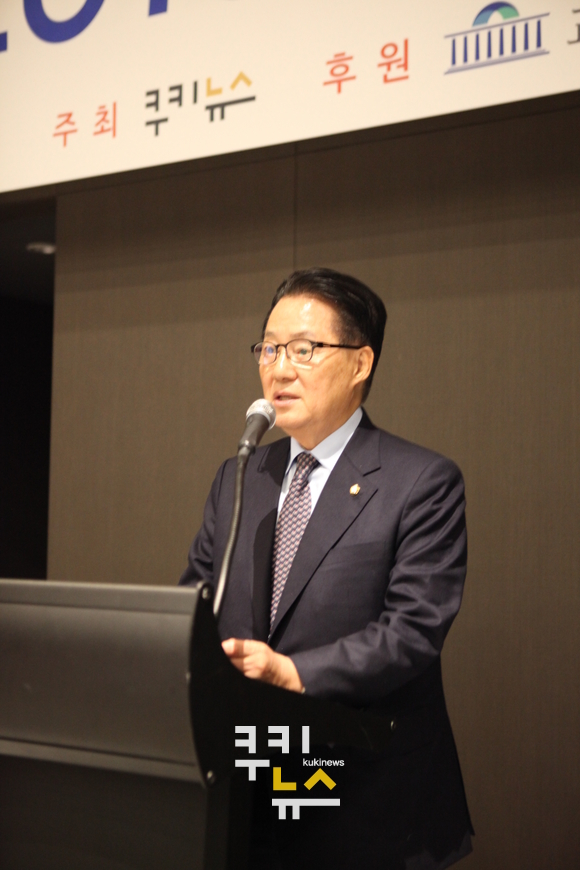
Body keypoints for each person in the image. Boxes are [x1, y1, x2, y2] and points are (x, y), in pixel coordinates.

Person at [180, 268, 473, 869]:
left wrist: (293, 672)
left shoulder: (421, 482)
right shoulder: (241, 475)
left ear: (361, 362)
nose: (279, 369)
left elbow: (413, 630)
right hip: (252, 788)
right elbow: (195, 602)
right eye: (269, 348)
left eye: (304, 349)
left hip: (364, 798)